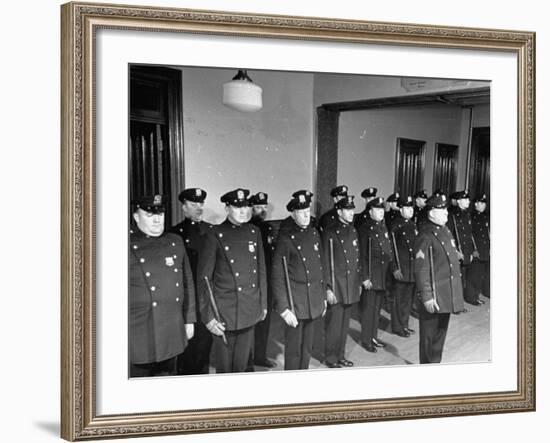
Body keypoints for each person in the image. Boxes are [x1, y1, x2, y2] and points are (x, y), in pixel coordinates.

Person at [196, 188, 268, 373]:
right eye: (237, 207)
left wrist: (263, 304)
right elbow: (204, 279)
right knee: (225, 367)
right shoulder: (215, 234)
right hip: (224, 312)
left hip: (249, 308)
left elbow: (261, 272)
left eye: (246, 206)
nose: (243, 211)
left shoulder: (254, 232)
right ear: (227, 208)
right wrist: (208, 316)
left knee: (242, 364)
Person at [129, 194, 196, 377]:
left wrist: (189, 319)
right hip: (139, 332)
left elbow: (187, 282)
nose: (157, 219)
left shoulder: (175, 241)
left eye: (160, 213)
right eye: (150, 215)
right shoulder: (125, 244)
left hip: (172, 328)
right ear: (136, 217)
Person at [271, 193, 328, 370]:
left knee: (307, 347)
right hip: (296, 303)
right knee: (294, 349)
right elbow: (278, 276)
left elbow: (321, 267)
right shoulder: (286, 239)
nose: (305, 215)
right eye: (301, 211)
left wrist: (323, 296)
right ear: (293, 214)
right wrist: (283, 308)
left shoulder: (314, 233)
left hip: (313, 300)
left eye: (307, 210)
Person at [414, 193, 464, 363]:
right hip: (434, 296)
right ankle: (427, 370)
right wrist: (427, 297)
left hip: (445, 294)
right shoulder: (425, 235)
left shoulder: (446, 231)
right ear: (432, 213)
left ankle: (436, 366)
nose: (446, 214)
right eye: (442, 211)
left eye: (446, 211)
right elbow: (421, 270)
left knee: (440, 336)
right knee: (429, 338)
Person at [168, 188, 213, 375]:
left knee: (205, 343)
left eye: (201, 204)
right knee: (187, 345)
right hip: (187, 296)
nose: (199, 207)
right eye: (194, 204)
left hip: (206, 295)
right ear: (184, 207)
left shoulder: (211, 231)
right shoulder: (174, 234)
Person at [320, 195, 361, 368]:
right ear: (339, 211)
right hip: (336, 287)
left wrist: (357, 283)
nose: (351, 213)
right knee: (334, 326)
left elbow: (357, 260)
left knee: (344, 326)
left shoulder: (353, 230)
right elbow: (325, 263)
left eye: (352, 210)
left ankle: (341, 355)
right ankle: (331, 357)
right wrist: (328, 289)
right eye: (348, 210)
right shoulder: (330, 232)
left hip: (350, 286)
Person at [357, 197, 397, 353]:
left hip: (382, 275)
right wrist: (365, 277)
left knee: (376, 310)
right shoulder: (365, 229)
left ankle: (373, 336)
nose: (381, 212)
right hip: (371, 277)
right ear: (370, 211)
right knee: (368, 310)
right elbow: (362, 255)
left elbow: (387, 250)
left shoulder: (382, 227)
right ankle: (366, 339)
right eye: (378, 210)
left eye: (382, 209)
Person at [248, 191, 277, 368]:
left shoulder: (267, 228)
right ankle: (247, 358)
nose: (262, 210)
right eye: (258, 207)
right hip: (252, 281)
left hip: (267, 279)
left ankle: (260, 356)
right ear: (251, 208)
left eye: (264, 207)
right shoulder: (248, 228)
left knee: (265, 322)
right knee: (250, 321)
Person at [389, 196, 417, 337]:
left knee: (408, 300)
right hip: (401, 269)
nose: (410, 210)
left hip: (412, 269)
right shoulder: (395, 226)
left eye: (411, 207)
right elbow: (391, 250)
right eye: (407, 208)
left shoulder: (413, 225)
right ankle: (397, 327)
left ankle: (404, 325)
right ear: (400, 209)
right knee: (399, 300)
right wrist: (394, 268)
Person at [447, 190, 481, 306]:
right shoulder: (452, 215)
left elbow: (470, 234)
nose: (468, 201)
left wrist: (474, 248)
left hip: (468, 251)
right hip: (459, 251)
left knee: (470, 277)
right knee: (457, 279)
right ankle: (456, 304)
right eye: (465, 199)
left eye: (468, 199)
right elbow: (449, 235)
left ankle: (469, 298)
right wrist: (455, 251)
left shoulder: (468, 214)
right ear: (459, 201)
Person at [470, 194, 490, 299]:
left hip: (487, 249)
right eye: (479, 203)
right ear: (475, 204)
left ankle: (485, 292)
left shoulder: (487, 217)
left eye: (483, 203)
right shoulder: (471, 217)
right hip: (477, 250)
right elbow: (470, 235)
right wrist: (473, 249)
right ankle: (473, 297)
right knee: (475, 275)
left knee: (485, 274)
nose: (481, 205)